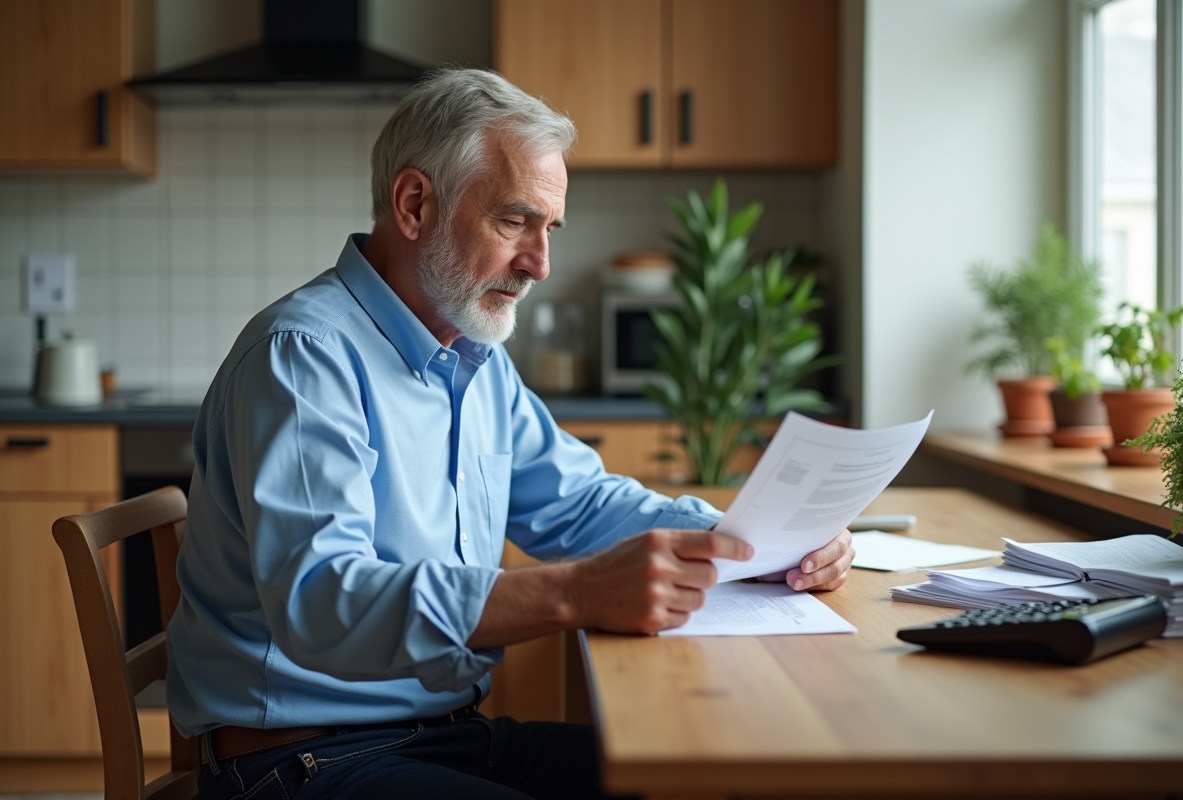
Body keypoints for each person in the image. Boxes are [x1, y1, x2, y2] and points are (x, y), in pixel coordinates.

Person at [168, 67, 854, 800]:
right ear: (414, 204)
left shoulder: (474, 358)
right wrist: (574, 593)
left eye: (548, 228)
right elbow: (321, 602)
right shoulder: (305, 357)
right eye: (513, 222)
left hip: (442, 736)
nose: (540, 264)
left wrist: (753, 540)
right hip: (302, 762)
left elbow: (581, 506)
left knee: (701, 779)